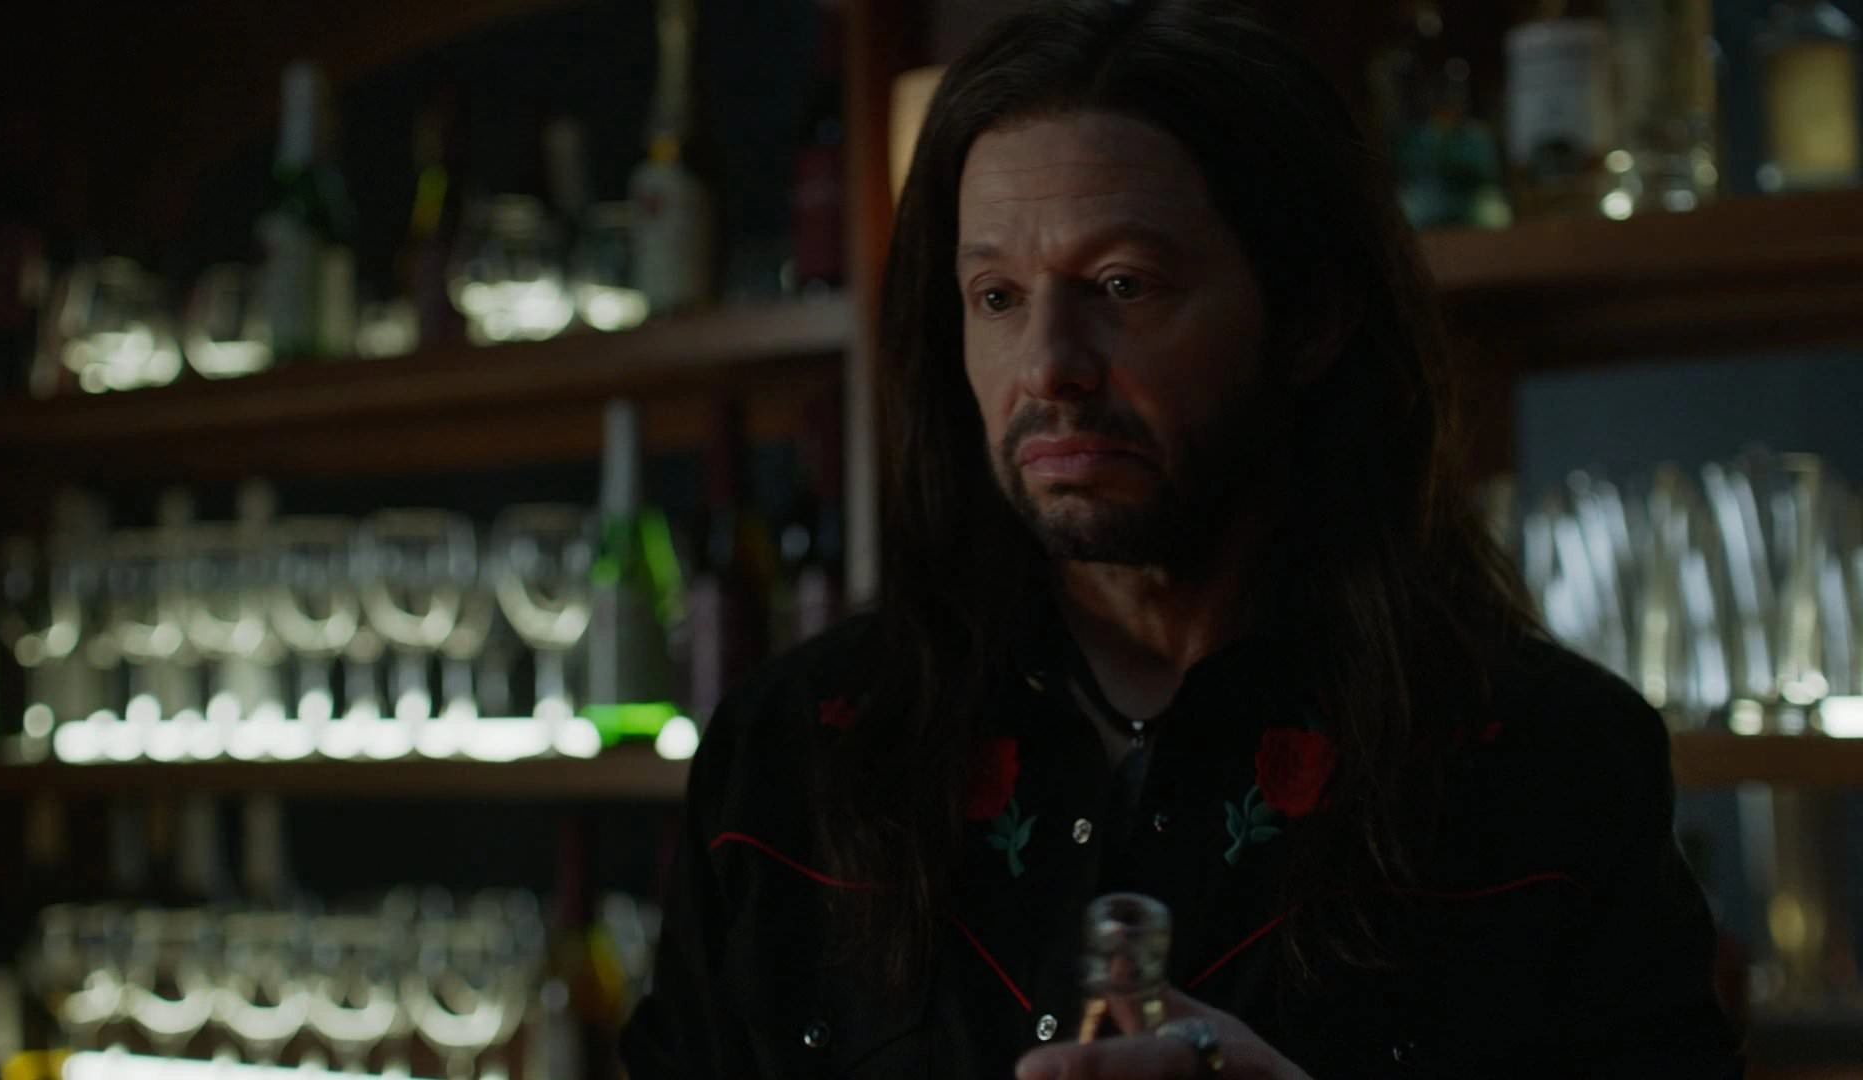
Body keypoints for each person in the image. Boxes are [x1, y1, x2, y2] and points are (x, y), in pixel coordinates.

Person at [621, 1, 1742, 1077]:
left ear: (1310, 316)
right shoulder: (792, 758)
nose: (1049, 365)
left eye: (1124, 285)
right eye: (998, 297)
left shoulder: (1550, 767)